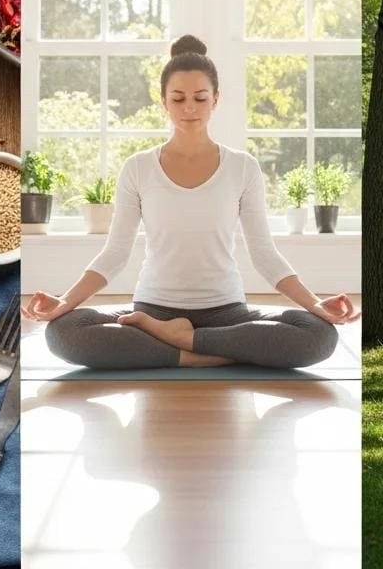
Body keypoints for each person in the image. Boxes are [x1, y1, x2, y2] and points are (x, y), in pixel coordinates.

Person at [22, 34, 361, 370]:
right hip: (152, 310)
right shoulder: (138, 167)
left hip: (226, 312)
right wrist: (65, 302)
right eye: (178, 98)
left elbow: (265, 255)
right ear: (163, 101)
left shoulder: (243, 167)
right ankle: (207, 352)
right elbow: (115, 254)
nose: (189, 108)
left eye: (200, 98)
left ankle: (181, 343)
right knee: (63, 332)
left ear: (216, 99)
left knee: (319, 335)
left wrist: (315, 305)